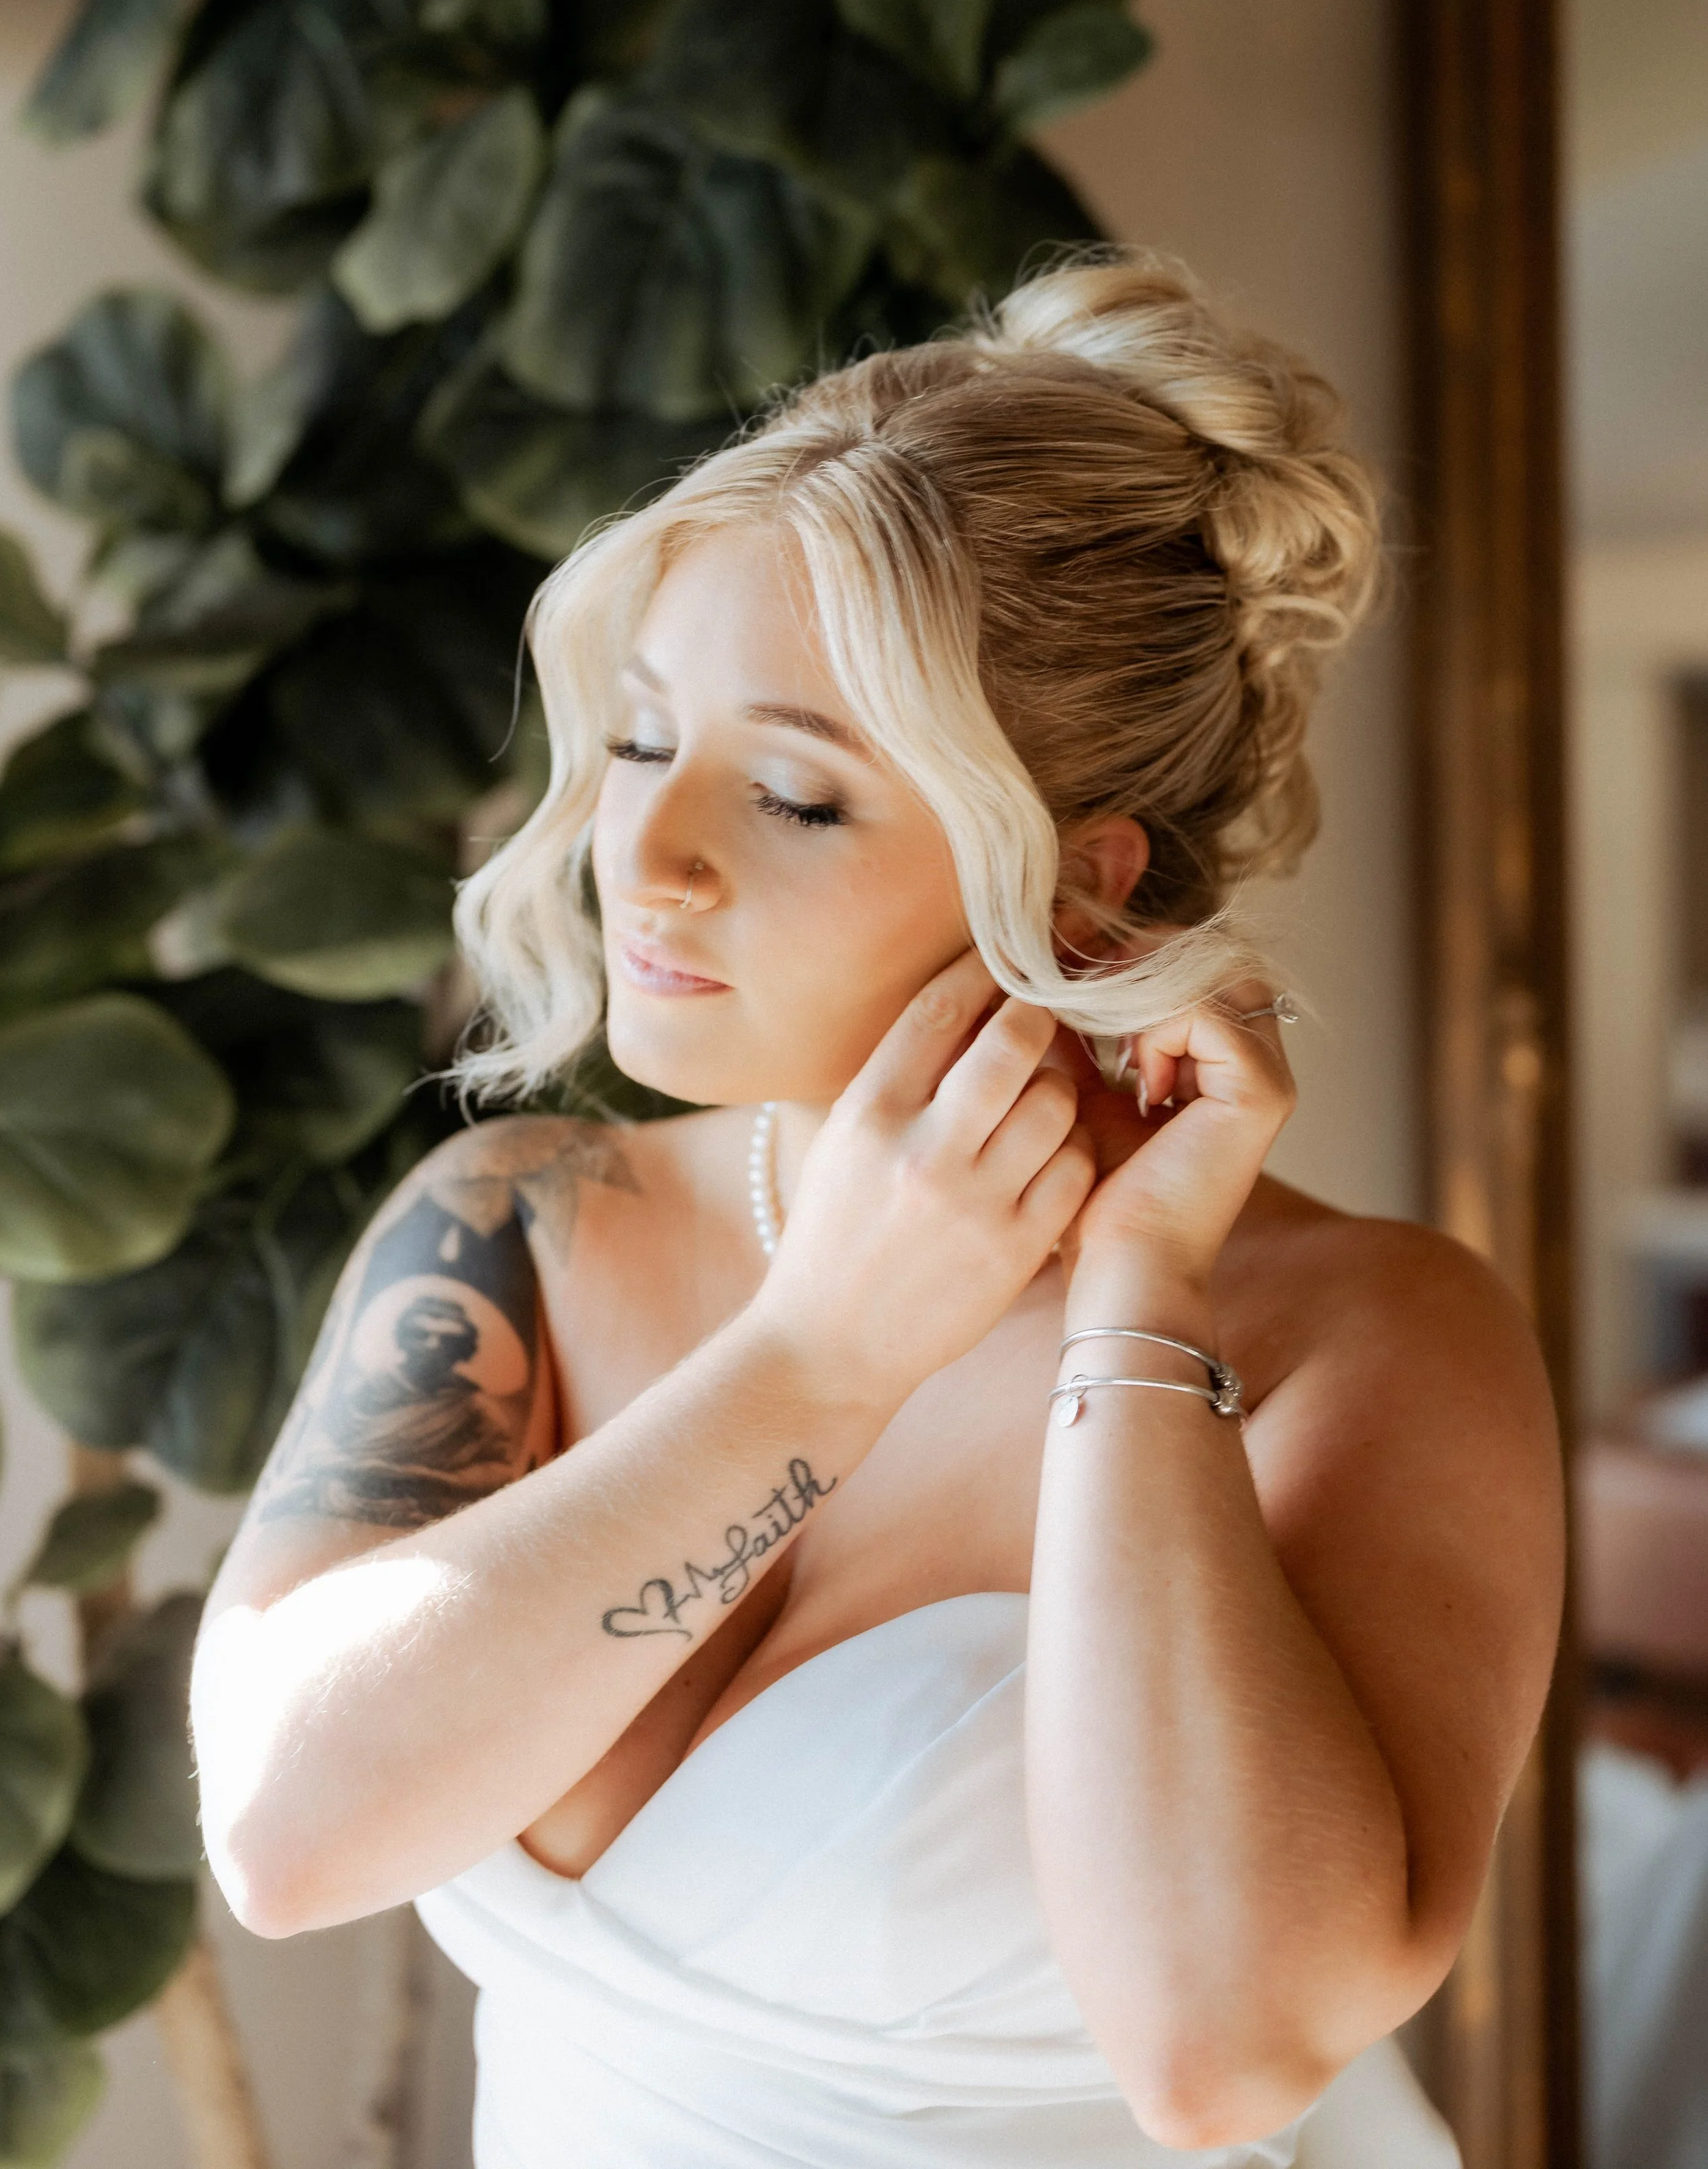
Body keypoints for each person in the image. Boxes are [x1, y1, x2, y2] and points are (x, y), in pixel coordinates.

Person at [191, 254, 1563, 2167]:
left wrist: (1134, 1306)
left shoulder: (1368, 1337)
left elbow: (1221, 2050)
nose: (644, 857)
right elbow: (282, 1828)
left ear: (1079, 886)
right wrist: (818, 1355)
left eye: (795, 797)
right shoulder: (520, 1219)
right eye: (648, 735)